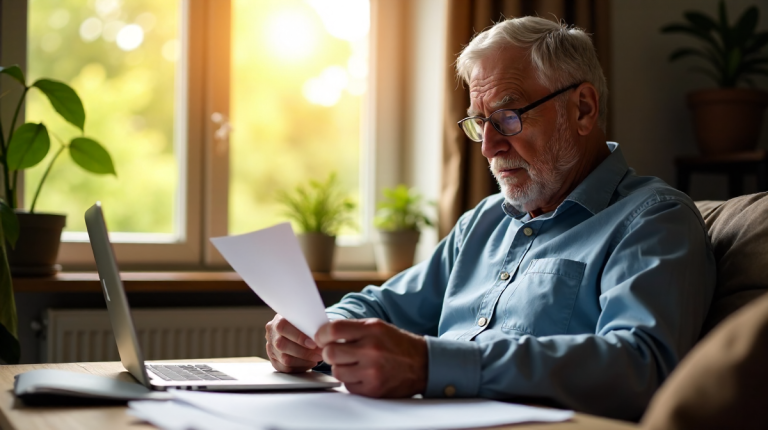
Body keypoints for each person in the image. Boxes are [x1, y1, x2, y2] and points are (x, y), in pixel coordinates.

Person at [265, 16, 715, 421]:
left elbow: (641, 365)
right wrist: (316, 331)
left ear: (582, 109)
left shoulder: (652, 220)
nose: (489, 147)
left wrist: (431, 365)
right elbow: (385, 306)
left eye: (509, 117)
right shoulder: (482, 223)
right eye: (482, 123)